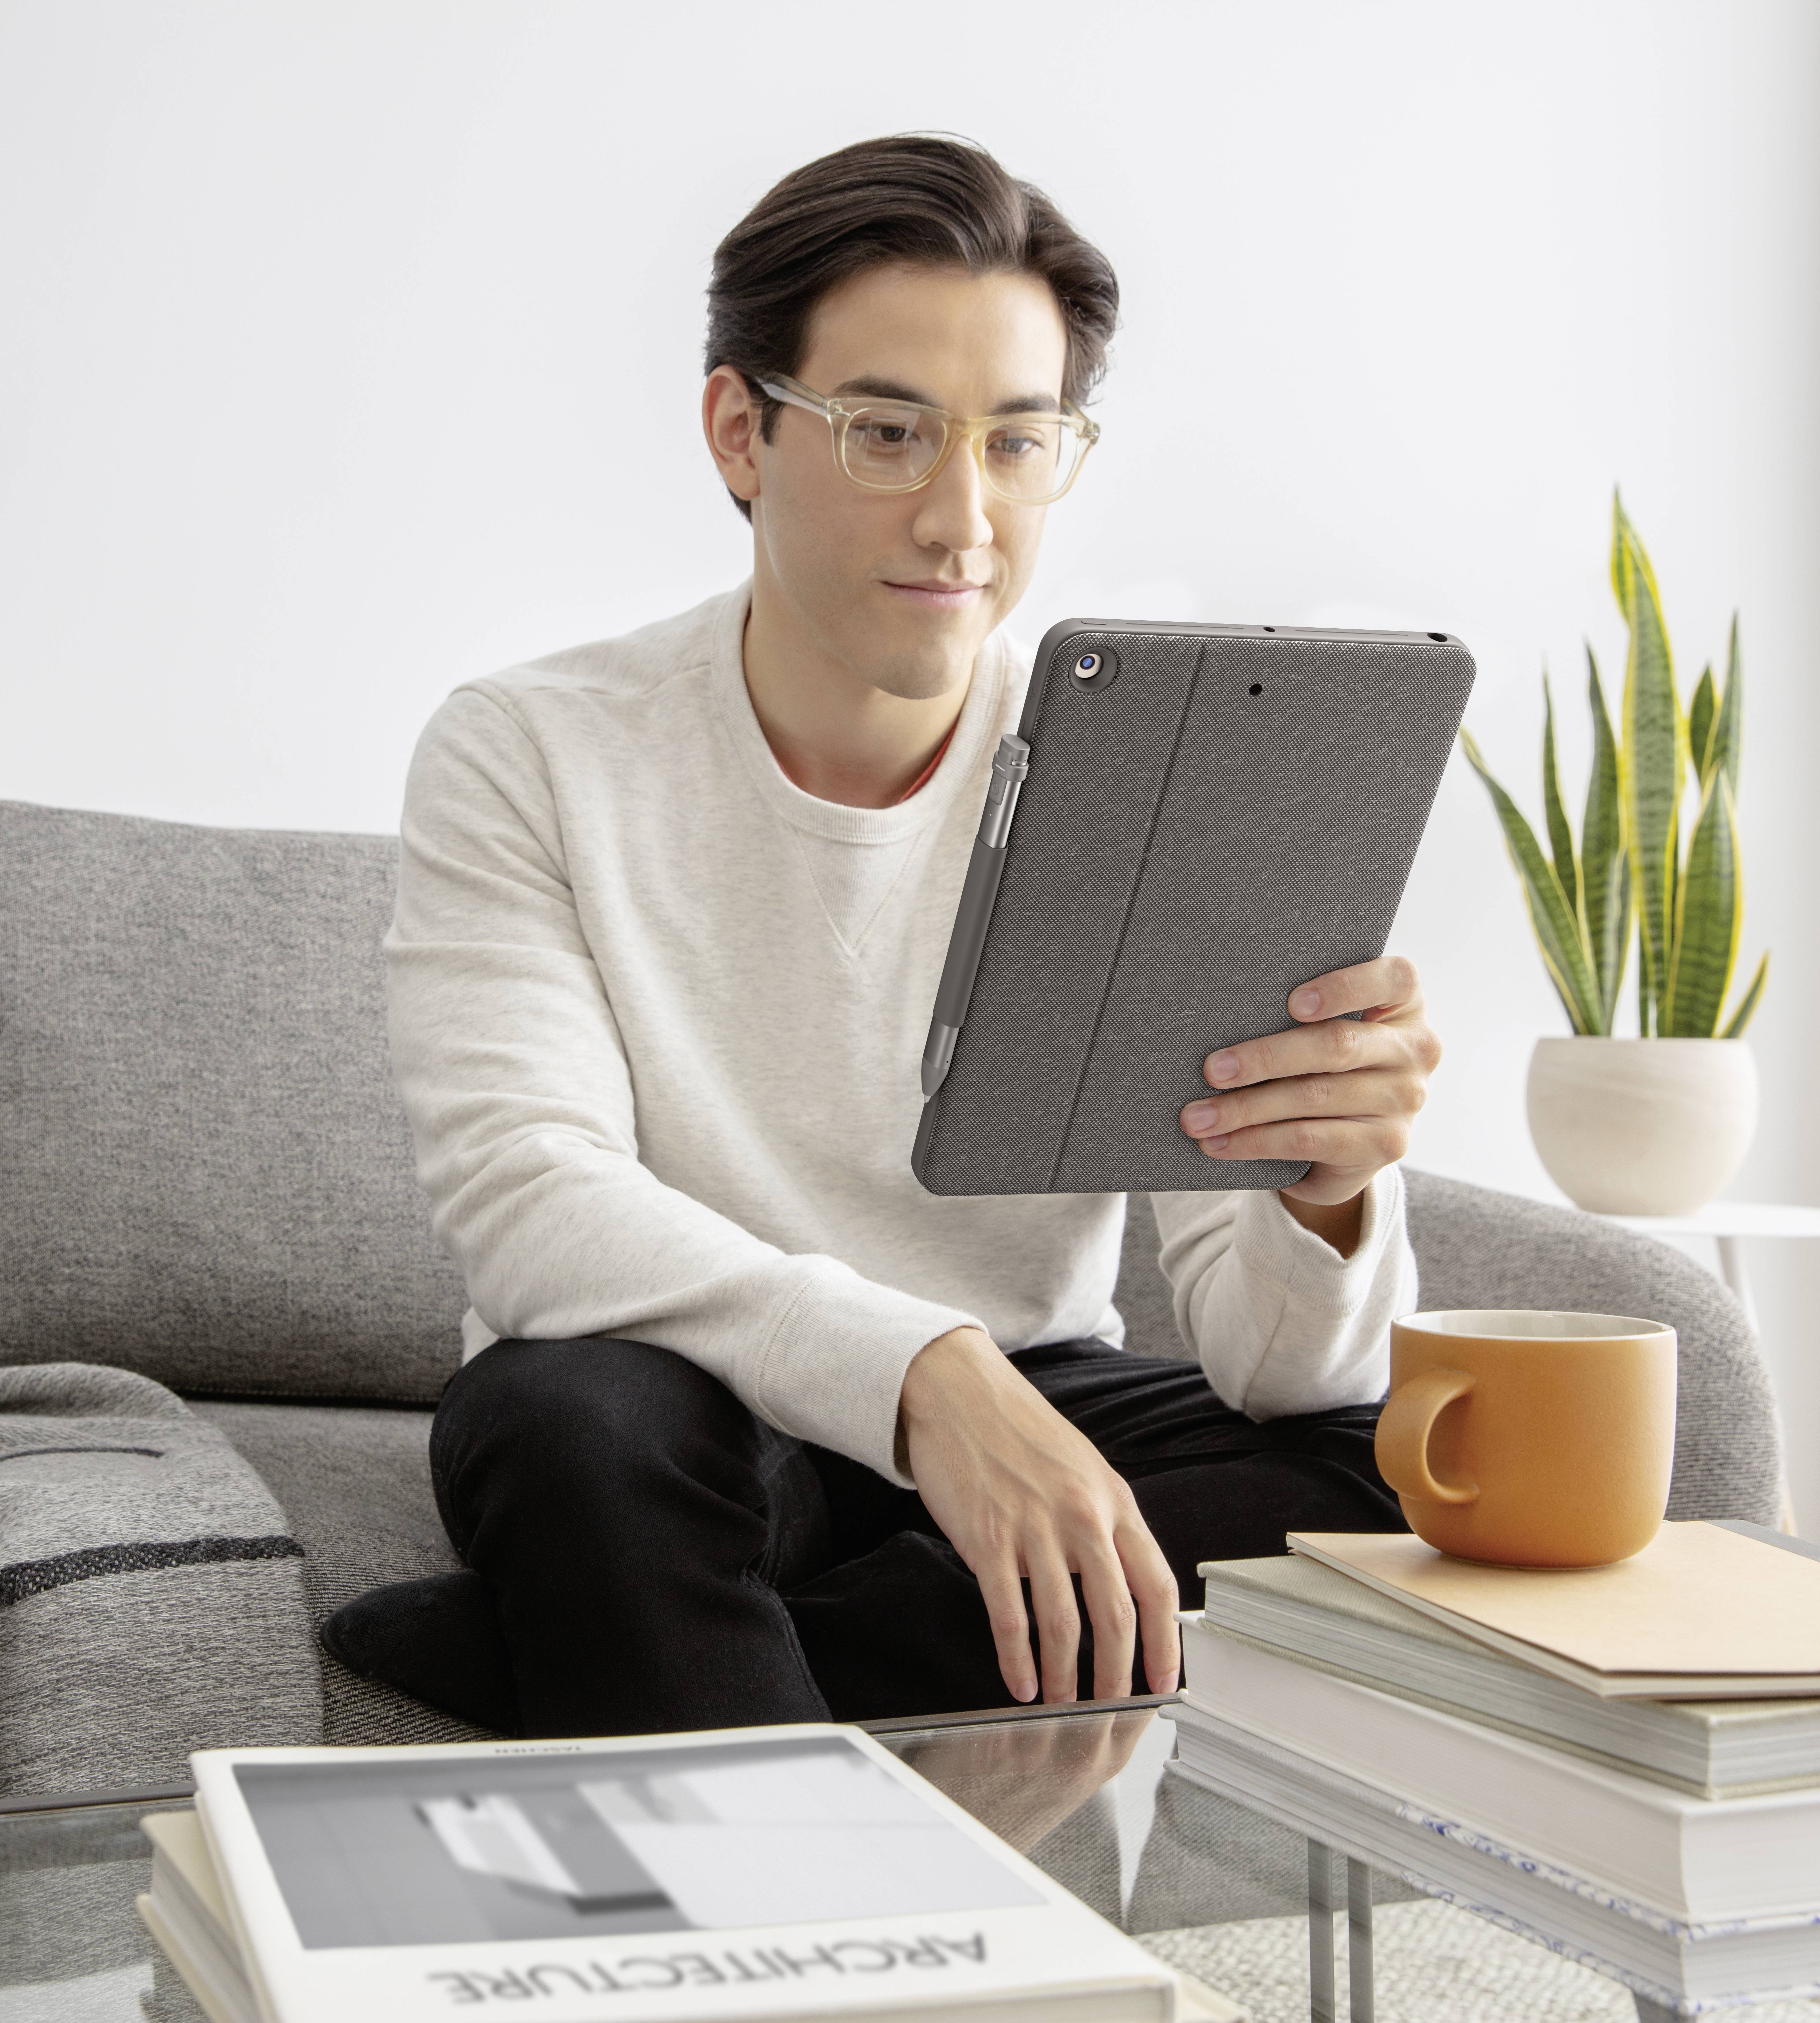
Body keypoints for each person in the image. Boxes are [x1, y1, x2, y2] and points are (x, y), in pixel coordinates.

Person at [324, 134, 1437, 1739]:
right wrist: (925, 1376)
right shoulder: (531, 749)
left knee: (1388, 1474)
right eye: (890, 431)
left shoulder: (1149, 768)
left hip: (1028, 1396)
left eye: (1019, 441)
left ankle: (632, 1652)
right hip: (690, 1400)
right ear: (741, 431)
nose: (962, 517)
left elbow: (1280, 1372)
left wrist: (1327, 1190)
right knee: (564, 1417)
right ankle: (815, 1865)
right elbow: (531, 1202)